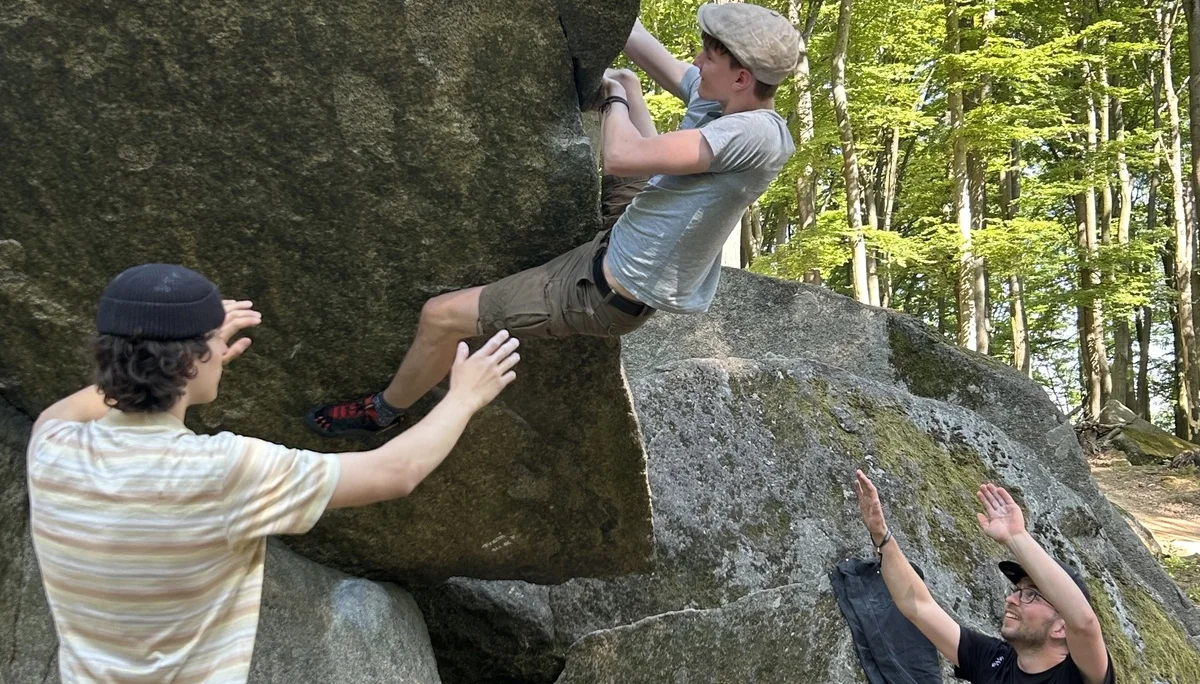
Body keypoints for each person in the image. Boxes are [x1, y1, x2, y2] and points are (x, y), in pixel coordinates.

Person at [306, 1, 800, 438]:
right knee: (628, 79)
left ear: (741, 78)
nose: (695, 62)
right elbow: (639, 44)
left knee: (439, 316)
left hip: (603, 287)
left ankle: (382, 412)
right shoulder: (720, 99)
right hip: (635, 223)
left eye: (708, 57)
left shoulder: (757, 133)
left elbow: (623, 157)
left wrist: (614, 99)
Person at [26, 263, 520, 683]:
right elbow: (396, 471)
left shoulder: (52, 447)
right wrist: (464, 396)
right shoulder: (222, 472)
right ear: (193, 360)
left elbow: (72, 407)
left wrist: (182, 359)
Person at [853, 470, 1115, 684]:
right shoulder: (991, 660)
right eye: (1017, 591)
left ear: (1061, 628)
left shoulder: (1077, 676)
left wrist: (1016, 537)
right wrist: (881, 535)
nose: (1011, 599)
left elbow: (1083, 622)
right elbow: (918, 606)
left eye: (1031, 595)